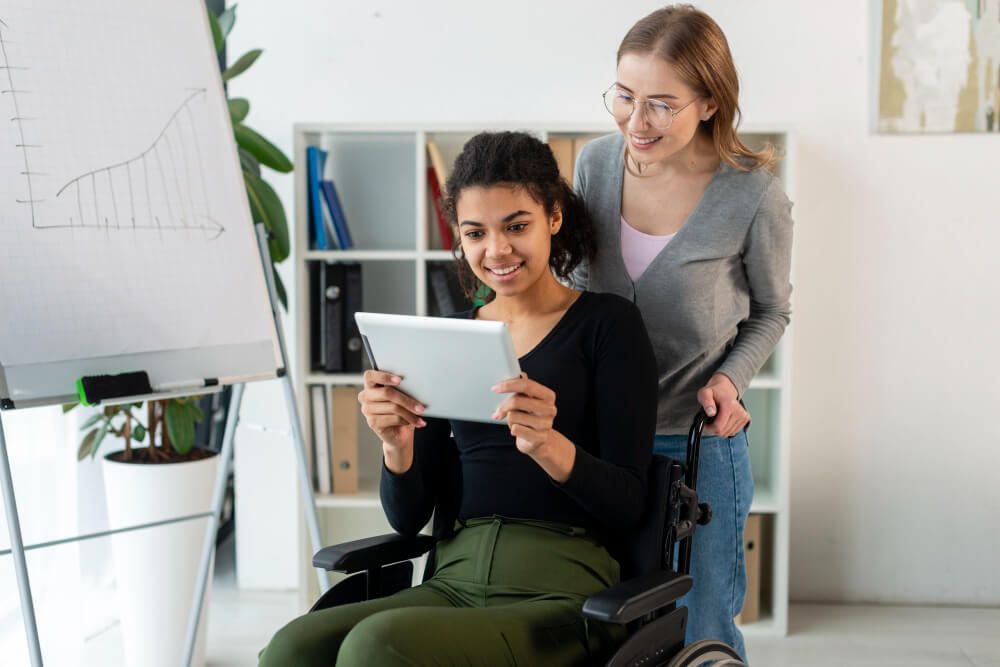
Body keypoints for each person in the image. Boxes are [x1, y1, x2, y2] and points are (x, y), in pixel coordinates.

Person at [258, 131, 658, 666]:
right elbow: (408, 519)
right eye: (476, 233)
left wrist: (547, 446)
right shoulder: (450, 337)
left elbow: (631, 504)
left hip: (561, 591)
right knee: (291, 650)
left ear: (553, 218)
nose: (497, 250)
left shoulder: (606, 325)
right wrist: (396, 445)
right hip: (453, 577)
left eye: (517, 226)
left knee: (375, 648)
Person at [572, 5, 794, 660]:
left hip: (700, 445)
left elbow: (771, 310)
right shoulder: (594, 168)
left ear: (708, 102)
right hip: (604, 445)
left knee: (702, 627)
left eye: (661, 104)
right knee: (612, 626)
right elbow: (580, 295)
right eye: (624, 96)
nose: (636, 123)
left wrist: (731, 376)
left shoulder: (752, 193)